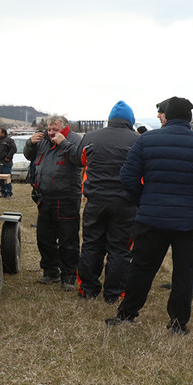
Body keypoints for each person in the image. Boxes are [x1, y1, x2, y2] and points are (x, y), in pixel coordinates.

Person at [106, 97, 193, 335]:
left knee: (141, 267)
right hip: (189, 220)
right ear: (189, 118)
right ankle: (178, 324)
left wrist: (144, 201)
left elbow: (127, 177)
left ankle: (127, 314)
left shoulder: (148, 140)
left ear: (167, 116)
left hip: (152, 217)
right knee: (184, 272)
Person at [76, 101, 139, 303]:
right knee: (120, 249)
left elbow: (82, 160)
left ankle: (87, 289)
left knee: (91, 245)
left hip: (95, 201)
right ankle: (114, 293)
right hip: (125, 204)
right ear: (130, 121)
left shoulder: (91, 137)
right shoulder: (138, 140)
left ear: (110, 119)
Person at [24, 115, 83, 290]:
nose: (50, 133)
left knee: (68, 239)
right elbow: (29, 157)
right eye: (49, 129)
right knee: (44, 237)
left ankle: (69, 276)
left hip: (66, 198)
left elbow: (79, 159)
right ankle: (51, 272)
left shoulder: (75, 140)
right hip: (45, 197)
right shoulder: (42, 140)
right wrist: (30, 143)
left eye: (54, 130)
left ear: (63, 128)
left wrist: (63, 142)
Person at [0, 128, 17, 199]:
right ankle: (3, 192)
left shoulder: (9, 140)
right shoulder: (0, 141)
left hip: (6, 163)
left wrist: (8, 157)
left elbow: (14, 149)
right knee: (0, 179)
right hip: (0, 162)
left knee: (7, 178)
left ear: (3, 133)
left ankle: (9, 193)